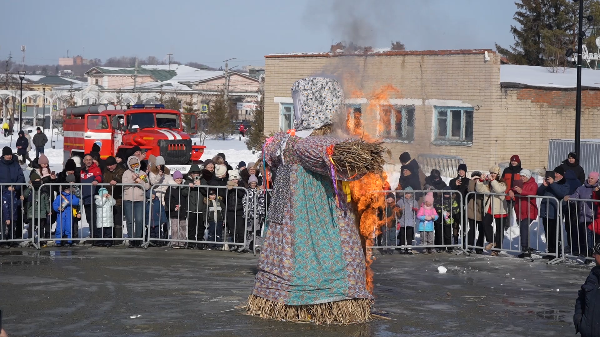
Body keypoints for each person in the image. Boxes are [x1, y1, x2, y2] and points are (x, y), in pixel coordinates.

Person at [564, 172, 600, 257]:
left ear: (596, 179)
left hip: (595, 217)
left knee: (596, 238)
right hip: (584, 216)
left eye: (592, 178)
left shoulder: (598, 189)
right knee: (585, 236)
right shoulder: (581, 188)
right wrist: (569, 197)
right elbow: (575, 196)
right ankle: (587, 253)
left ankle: (595, 254)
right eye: (589, 178)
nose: (589, 179)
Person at [538, 166, 570, 259]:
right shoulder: (549, 183)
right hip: (546, 211)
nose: (555, 175)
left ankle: (557, 252)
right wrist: (544, 185)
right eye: (554, 173)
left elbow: (561, 194)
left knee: (555, 234)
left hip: (556, 212)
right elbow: (539, 193)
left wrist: (552, 184)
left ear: (561, 175)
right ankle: (550, 252)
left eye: (557, 173)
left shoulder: (564, 184)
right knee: (548, 233)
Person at [475, 166, 508, 256]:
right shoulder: (488, 183)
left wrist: (493, 181)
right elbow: (479, 190)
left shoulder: (502, 183)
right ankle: (491, 240)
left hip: (500, 209)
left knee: (499, 230)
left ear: (498, 174)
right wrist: (481, 181)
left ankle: (496, 250)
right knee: (485, 223)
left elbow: (498, 190)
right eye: (491, 173)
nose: (492, 175)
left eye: (494, 173)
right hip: (490, 207)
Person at [122, 156, 150, 247]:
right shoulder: (126, 173)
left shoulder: (142, 173)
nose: (134, 166)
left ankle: (138, 239)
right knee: (129, 220)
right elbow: (124, 186)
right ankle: (131, 239)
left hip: (140, 199)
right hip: (128, 199)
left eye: (136, 164)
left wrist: (139, 181)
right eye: (132, 164)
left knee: (139, 220)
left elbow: (147, 186)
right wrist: (132, 179)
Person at [0, 146, 25, 244]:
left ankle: (12, 238)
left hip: (14, 193)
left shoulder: (16, 165)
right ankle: (3, 238)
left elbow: (21, 177)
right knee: (4, 217)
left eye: (10, 154)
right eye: (7, 155)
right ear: (3, 155)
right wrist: (5, 188)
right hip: (2, 193)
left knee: (14, 216)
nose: (9, 156)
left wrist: (15, 187)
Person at [574, 242, 600, 336]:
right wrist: (579, 321)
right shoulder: (593, 274)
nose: (593, 255)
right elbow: (581, 298)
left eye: (596, 253)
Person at [512, 169, 539, 258]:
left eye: (524, 176)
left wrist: (521, 191)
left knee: (524, 226)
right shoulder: (519, 183)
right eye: (521, 176)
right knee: (523, 228)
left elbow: (533, 193)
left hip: (529, 210)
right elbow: (513, 188)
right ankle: (526, 247)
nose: (522, 178)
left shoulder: (533, 184)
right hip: (520, 211)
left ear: (528, 176)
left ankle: (525, 248)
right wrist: (511, 191)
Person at [80, 154, 102, 241]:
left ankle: (96, 236)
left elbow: (99, 176)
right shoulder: (82, 171)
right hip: (85, 197)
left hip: (93, 197)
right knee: (88, 218)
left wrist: (96, 180)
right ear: (84, 161)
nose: (88, 161)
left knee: (94, 218)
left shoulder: (95, 168)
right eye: (87, 160)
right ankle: (92, 234)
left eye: (90, 159)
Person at [103, 156, 125, 244]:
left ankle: (118, 238)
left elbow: (121, 178)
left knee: (117, 218)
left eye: (111, 165)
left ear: (115, 164)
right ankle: (109, 237)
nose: (109, 167)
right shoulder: (105, 171)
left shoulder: (120, 170)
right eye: (108, 165)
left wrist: (116, 180)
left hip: (117, 198)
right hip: (108, 198)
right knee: (109, 218)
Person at [165, 170, 188, 249]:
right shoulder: (170, 188)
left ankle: (182, 242)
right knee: (175, 228)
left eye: (180, 178)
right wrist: (173, 207)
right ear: (174, 179)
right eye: (177, 178)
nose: (179, 179)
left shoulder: (184, 187)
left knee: (183, 227)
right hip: (174, 211)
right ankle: (174, 242)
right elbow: (167, 199)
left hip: (183, 210)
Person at [433, 187, 460, 252]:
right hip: (440, 219)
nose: (447, 195)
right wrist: (441, 211)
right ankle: (441, 247)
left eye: (448, 194)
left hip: (449, 220)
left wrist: (450, 212)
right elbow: (435, 207)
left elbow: (456, 209)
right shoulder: (439, 199)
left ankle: (449, 247)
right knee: (440, 233)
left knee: (448, 234)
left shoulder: (452, 201)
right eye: (445, 194)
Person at [53, 183, 80, 247]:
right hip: (61, 214)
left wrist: (68, 202)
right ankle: (58, 241)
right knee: (60, 228)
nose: (68, 190)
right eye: (66, 189)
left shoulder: (72, 196)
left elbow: (76, 201)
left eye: (68, 189)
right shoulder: (59, 196)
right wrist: (57, 208)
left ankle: (68, 241)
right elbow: (55, 204)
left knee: (69, 228)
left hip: (69, 214)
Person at [449, 163, 469, 245]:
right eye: (460, 170)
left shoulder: (468, 181)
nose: (461, 172)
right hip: (455, 205)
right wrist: (455, 185)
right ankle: (456, 241)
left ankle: (464, 243)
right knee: (455, 224)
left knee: (463, 225)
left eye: (463, 170)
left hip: (464, 205)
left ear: (465, 171)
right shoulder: (453, 181)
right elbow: (449, 190)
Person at [226, 169, 246, 251]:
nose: (234, 181)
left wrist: (236, 188)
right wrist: (228, 189)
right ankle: (234, 243)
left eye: (236, 179)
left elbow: (242, 195)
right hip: (230, 209)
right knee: (232, 228)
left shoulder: (241, 185)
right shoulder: (227, 186)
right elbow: (224, 196)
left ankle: (241, 244)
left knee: (240, 227)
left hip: (239, 209)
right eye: (233, 179)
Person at [396, 187, 419, 254]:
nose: (407, 195)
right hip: (402, 220)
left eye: (409, 193)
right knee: (402, 235)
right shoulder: (400, 201)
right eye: (406, 193)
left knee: (409, 235)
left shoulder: (414, 202)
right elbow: (396, 209)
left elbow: (417, 210)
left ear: (411, 194)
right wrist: (400, 210)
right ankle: (402, 247)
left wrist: (414, 209)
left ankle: (409, 247)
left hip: (410, 221)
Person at [466, 171, 485, 253]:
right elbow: (470, 190)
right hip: (472, 211)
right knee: (472, 230)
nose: (476, 180)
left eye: (478, 178)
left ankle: (479, 248)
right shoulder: (471, 184)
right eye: (475, 178)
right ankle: (469, 246)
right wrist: (472, 181)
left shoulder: (482, 184)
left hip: (481, 211)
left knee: (482, 230)